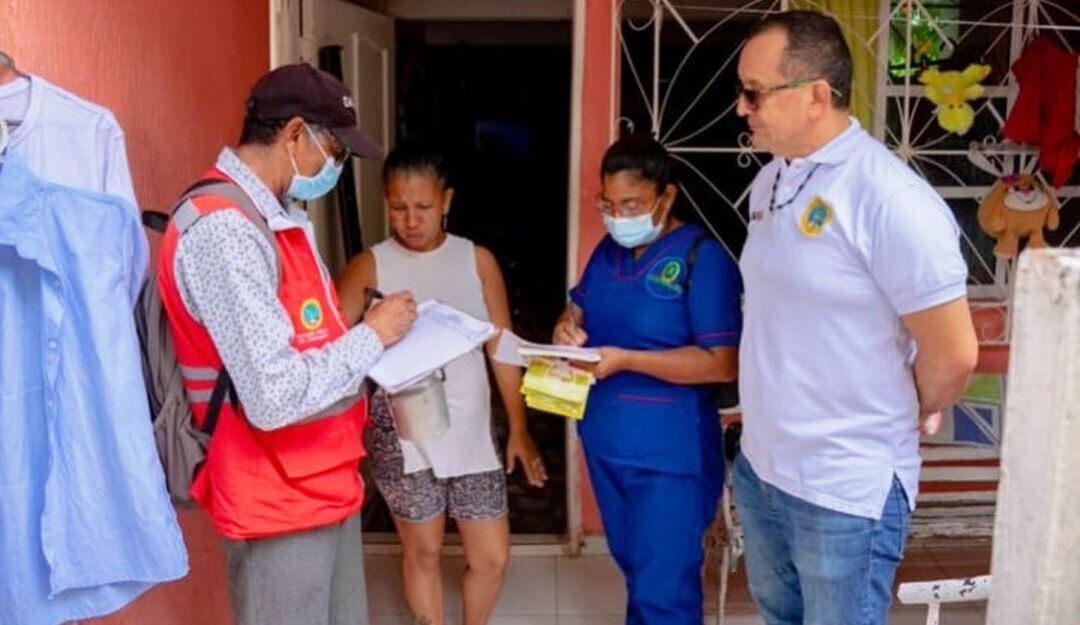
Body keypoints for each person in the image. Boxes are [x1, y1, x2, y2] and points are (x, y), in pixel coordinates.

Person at [733, 11, 979, 625]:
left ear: (817, 95)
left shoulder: (890, 199)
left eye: (755, 92)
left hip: (844, 485)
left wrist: (898, 405)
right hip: (764, 469)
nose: (742, 108)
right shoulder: (770, 184)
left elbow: (954, 357)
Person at [155, 63, 417, 625]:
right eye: (337, 152)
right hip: (274, 498)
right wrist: (373, 336)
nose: (337, 169)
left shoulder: (276, 218)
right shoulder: (223, 229)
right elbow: (273, 396)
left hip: (321, 480)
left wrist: (366, 333)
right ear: (295, 134)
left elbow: (306, 339)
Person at [337, 141, 548, 625]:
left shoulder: (477, 261)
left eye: (424, 207)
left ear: (447, 201)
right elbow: (332, 351)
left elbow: (502, 349)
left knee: (491, 557)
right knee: (424, 551)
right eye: (398, 208)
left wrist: (518, 428)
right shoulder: (369, 266)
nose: (411, 220)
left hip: (472, 429)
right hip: (402, 432)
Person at [552, 132, 742, 625]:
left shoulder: (704, 260)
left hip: (670, 456)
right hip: (606, 441)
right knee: (638, 574)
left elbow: (721, 362)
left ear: (667, 196)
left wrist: (627, 360)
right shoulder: (607, 254)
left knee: (665, 590)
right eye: (608, 204)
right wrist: (565, 326)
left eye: (632, 204)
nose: (619, 216)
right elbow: (579, 305)